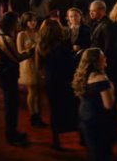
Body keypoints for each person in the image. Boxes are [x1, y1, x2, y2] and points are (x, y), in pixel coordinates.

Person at [0, 12, 34, 147]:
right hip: (7, 76)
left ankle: (12, 132)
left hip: (3, 75)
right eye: (16, 22)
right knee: (11, 106)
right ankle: (11, 135)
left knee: (11, 105)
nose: (18, 24)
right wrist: (31, 51)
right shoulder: (4, 39)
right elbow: (16, 58)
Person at [38, 18, 79, 150]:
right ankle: (80, 135)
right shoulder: (63, 45)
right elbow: (69, 64)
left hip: (50, 80)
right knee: (71, 107)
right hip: (64, 80)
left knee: (54, 109)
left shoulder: (41, 45)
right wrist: (77, 55)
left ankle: (56, 139)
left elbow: (39, 65)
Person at [73, 48, 117, 161]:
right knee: (101, 152)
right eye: (102, 57)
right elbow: (108, 104)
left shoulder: (84, 76)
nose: (105, 58)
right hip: (98, 120)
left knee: (92, 149)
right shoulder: (101, 79)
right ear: (95, 61)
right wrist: (111, 87)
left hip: (84, 117)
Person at [15, 12, 46, 128]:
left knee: (38, 92)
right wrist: (32, 48)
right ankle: (33, 115)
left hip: (39, 64)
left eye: (34, 20)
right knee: (32, 91)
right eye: (30, 20)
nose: (33, 22)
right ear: (25, 22)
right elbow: (20, 51)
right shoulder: (21, 35)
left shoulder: (38, 33)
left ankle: (37, 115)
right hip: (28, 65)